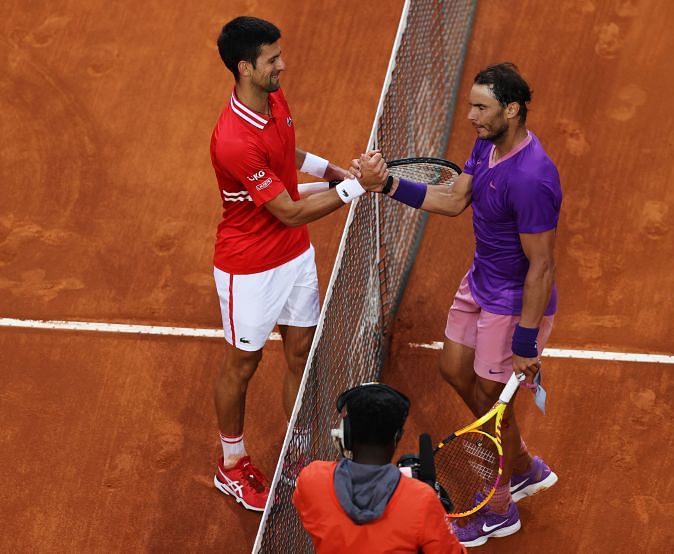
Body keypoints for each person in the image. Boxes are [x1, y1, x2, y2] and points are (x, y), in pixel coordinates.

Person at [362, 62, 561, 546]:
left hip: (512, 304)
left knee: (496, 408)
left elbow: (541, 267)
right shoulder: (487, 144)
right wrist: (387, 185)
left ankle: (500, 507)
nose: (470, 115)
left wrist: (526, 342)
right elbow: (454, 201)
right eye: (472, 105)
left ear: (511, 110)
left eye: (481, 107)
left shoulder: (533, 178)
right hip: (479, 282)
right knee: (453, 369)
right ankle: (521, 464)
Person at [210, 16, 388, 512]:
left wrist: (330, 170)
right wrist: (354, 187)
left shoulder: (272, 97)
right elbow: (287, 211)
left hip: (294, 256)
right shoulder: (232, 139)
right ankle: (231, 463)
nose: (281, 65)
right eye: (272, 60)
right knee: (243, 364)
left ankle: (295, 453)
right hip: (249, 269)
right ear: (246, 68)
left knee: (299, 351)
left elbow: (290, 149)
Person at [293, 383, 466, 553]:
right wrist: (436, 516)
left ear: (346, 433)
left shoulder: (312, 480)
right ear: (397, 437)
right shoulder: (422, 501)